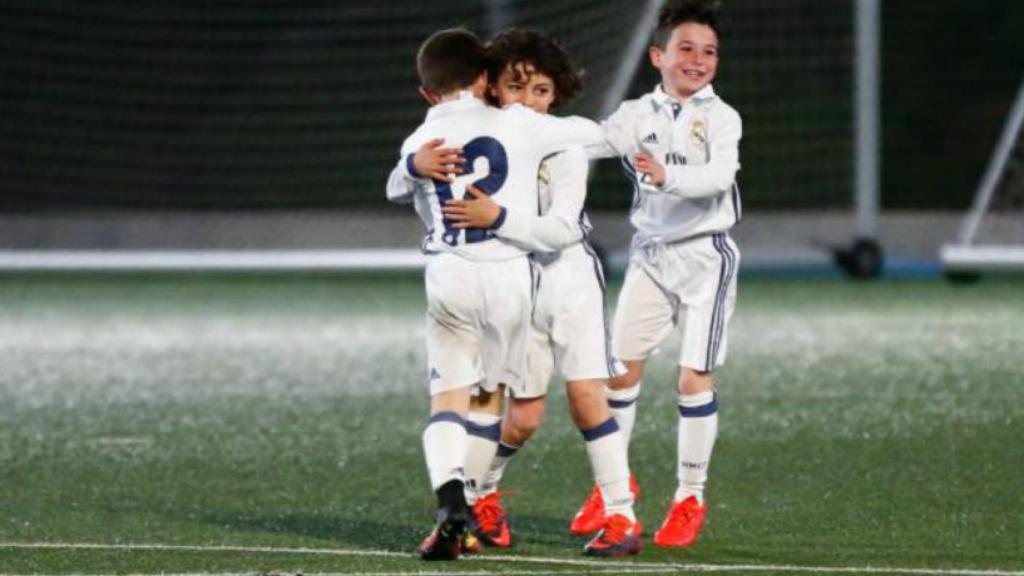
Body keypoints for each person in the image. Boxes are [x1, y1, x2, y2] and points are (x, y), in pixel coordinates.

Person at [385, 27, 603, 561]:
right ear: (485, 79)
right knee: (488, 402)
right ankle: (472, 502)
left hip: (450, 275)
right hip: (508, 277)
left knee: (447, 405)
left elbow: (394, 185)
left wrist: (413, 167)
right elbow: (590, 132)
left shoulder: (419, 141)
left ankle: (451, 502)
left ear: (426, 93)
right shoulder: (518, 122)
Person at [428, 28, 641, 557]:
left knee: (587, 400)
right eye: (517, 87)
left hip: (569, 282)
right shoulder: (480, 140)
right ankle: (481, 501)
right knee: (517, 416)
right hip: (515, 285)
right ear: (491, 88)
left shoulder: (563, 144)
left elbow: (562, 229)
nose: (529, 101)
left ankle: (622, 518)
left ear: (557, 95)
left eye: (541, 91)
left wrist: (496, 216)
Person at [582, 0, 743, 548]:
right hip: (650, 256)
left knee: (692, 379)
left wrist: (667, 174)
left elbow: (718, 178)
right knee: (618, 374)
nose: (699, 60)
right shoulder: (635, 115)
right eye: (687, 49)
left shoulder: (722, 117)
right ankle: (612, 489)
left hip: (705, 258)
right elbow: (592, 140)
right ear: (659, 56)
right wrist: (527, 133)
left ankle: (689, 497)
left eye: (709, 51)